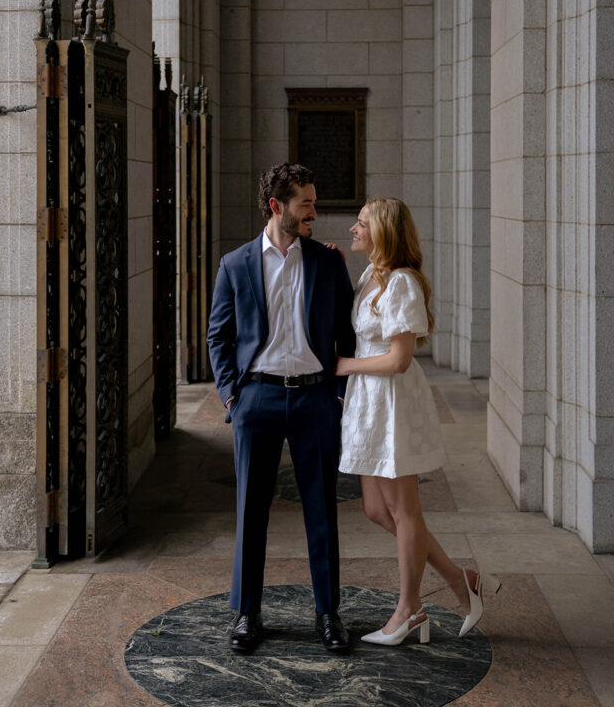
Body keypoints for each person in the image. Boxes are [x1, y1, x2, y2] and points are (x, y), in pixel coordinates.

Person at [336, 197, 501, 645]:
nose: (353, 228)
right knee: (375, 509)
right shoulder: (373, 274)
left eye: (362, 223)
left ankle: (409, 609)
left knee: (405, 510)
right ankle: (459, 578)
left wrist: (345, 366)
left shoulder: (402, 283)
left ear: (383, 232)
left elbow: (400, 360)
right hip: (370, 402)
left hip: (393, 404)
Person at [207, 163, 356, 655]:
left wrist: (336, 396)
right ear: (278, 207)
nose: (315, 210)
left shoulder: (328, 262)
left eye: (314, 201)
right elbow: (219, 336)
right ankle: (247, 613)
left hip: (315, 397)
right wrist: (233, 395)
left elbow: (347, 334)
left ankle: (328, 613)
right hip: (258, 399)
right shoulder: (235, 265)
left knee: (322, 509)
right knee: (252, 510)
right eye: (306, 203)